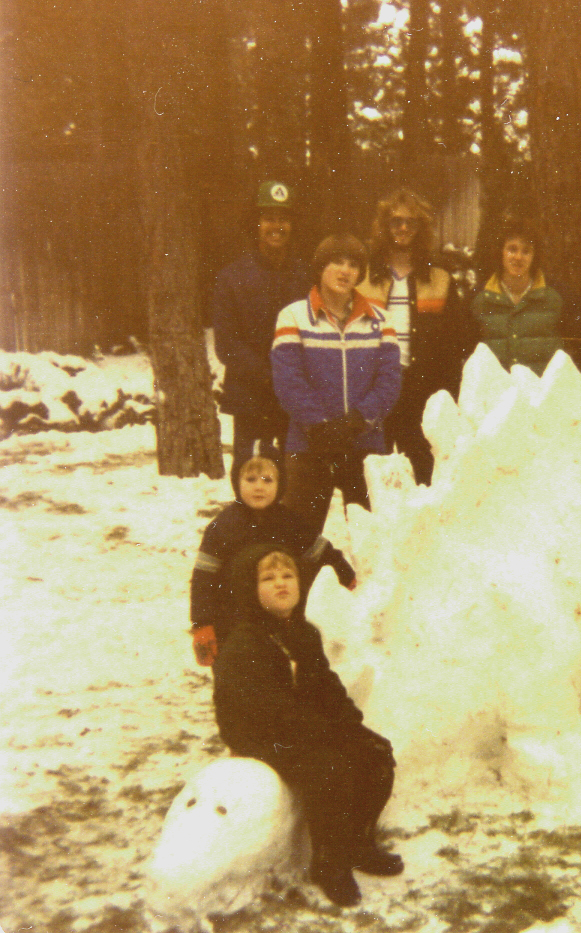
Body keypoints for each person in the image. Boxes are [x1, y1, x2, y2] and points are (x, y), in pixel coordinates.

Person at [213, 545, 402, 907]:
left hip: (301, 728)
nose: (281, 584)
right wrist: (324, 732)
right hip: (259, 735)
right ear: (250, 590)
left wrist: (350, 722)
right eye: (268, 579)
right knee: (330, 769)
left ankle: (359, 844)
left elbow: (325, 685)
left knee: (375, 754)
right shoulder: (246, 641)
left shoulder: (302, 633)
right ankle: (329, 863)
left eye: (288, 576)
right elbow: (268, 708)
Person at [271, 234, 402, 536]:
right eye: (337, 262)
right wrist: (319, 426)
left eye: (354, 265)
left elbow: (389, 381)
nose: (345, 271)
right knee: (298, 537)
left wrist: (356, 421)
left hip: (365, 443)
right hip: (309, 445)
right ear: (320, 267)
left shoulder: (382, 321)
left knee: (373, 539)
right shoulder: (292, 317)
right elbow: (288, 381)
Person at [189, 455, 355, 667]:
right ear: (236, 483)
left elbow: (323, 553)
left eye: (267, 480)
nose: (259, 487)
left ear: (281, 484)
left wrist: (349, 579)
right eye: (250, 479)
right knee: (239, 668)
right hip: (233, 618)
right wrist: (202, 624)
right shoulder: (222, 527)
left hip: (283, 614)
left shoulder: (290, 522)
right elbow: (203, 578)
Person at [358, 188, 467, 484]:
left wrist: (448, 396)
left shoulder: (440, 278)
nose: (403, 228)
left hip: (421, 391)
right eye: (395, 221)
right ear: (384, 226)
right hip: (375, 390)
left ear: (421, 229)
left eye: (410, 222)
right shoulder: (364, 276)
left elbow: (453, 344)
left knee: (421, 478)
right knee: (372, 478)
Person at [212, 181, 309, 494]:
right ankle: (249, 541)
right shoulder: (232, 277)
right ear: (256, 223)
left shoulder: (305, 275)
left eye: (283, 219)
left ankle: (283, 541)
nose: (276, 226)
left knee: (293, 476)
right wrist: (270, 376)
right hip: (251, 396)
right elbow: (227, 346)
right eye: (268, 218)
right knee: (251, 475)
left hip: (294, 396)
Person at [470, 215, 581, 377]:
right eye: (512, 249)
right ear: (501, 252)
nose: (518, 257)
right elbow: (462, 351)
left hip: (543, 399)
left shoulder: (560, 295)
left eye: (526, 251)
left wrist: (568, 384)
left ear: (535, 256)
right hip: (495, 398)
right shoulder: (478, 297)